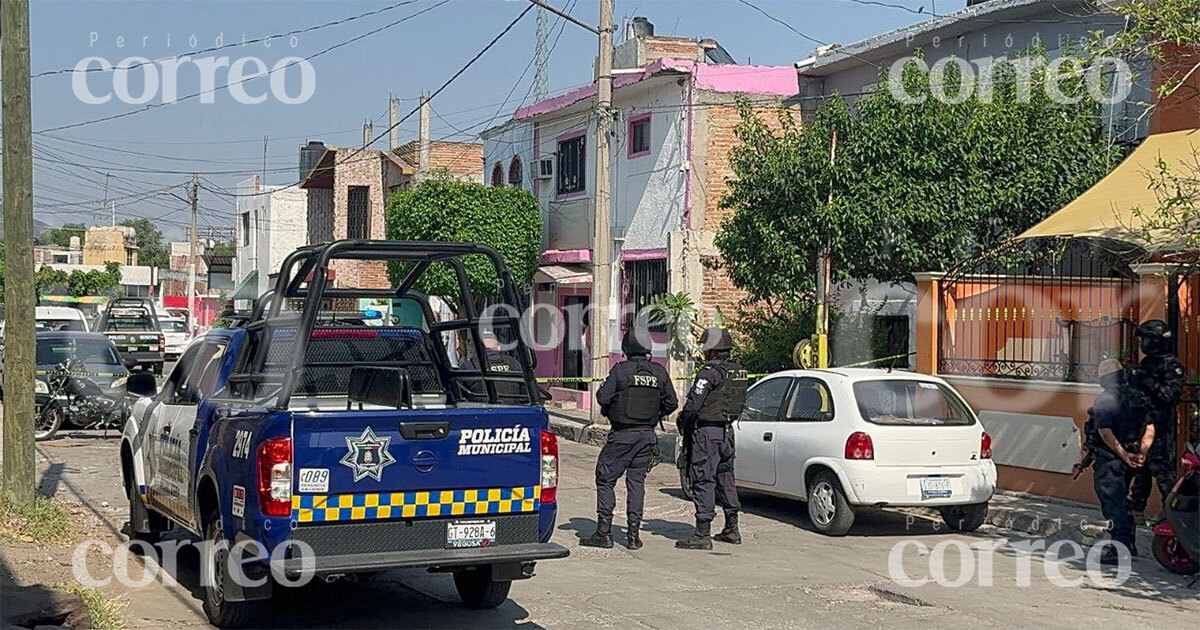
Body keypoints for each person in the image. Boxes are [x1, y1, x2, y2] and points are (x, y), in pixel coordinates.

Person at [580, 328, 678, 549]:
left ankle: (604, 533)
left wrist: (612, 408)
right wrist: (655, 414)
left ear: (626, 349)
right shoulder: (659, 372)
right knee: (636, 482)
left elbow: (602, 396)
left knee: (605, 479)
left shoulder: (620, 371)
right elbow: (672, 402)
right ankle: (633, 535)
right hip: (647, 436)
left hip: (623, 436)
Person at [675, 328, 748, 550]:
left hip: (708, 433)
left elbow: (694, 404)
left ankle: (702, 533)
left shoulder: (709, 373)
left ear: (713, 351)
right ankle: (731, 527)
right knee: (726, 477)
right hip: (728, 432)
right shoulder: (738, 371)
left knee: (703, 478)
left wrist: (683, 421)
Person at [1087, 359, 1154, 564]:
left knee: (1114, 503)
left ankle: (1120, 548)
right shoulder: (1140, 397)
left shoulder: (1105, 399)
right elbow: (1150, 428)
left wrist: (1123, 454)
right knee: (1123, 502)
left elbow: (1105, 432)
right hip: (1134, 456)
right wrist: (1142, 452)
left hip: (1112, 460)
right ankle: (1129, 544)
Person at [1128, 319, 1186, 526]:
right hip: (1142, 424)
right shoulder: (1146, 364)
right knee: (1140, 471)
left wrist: (1147, 381)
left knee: (1163, 473)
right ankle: (1136, 511)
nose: (1142, 343)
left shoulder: (1170, 364)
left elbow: (1171, 396)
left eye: (1145, 339)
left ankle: (1171, 515)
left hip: (1161, 427)